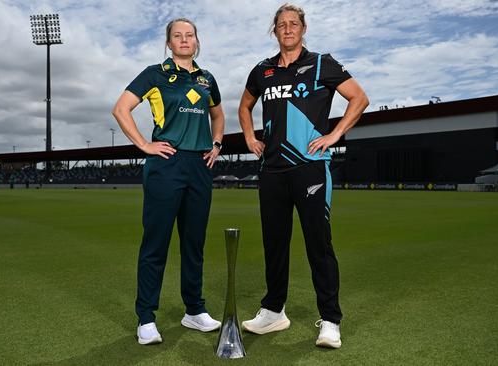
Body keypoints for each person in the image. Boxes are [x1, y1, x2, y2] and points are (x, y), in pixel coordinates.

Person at [238, 3, 369, 349]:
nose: (288, 29)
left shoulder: (321, 63)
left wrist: (335, 134)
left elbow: (359, 98)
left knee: (318, 245)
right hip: (272, 171)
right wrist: (251, 138)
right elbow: (244, 106)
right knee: (274, 244)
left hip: (310, 167)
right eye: (281, 25)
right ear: (275, 31)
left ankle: (330, 320)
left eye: (293, 24)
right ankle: (273, 311)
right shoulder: (262, 71)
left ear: (303, 28)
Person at [112, 17, 225, 345]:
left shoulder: (207, 79)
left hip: (200, 166)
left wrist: (217, 143)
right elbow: (121, 109)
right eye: (178, 35)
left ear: (196, 40)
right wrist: (144, 145)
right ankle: (146, 318)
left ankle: (194, 310)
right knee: (156, 243)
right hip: (166, 164)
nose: (184, 40)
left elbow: (218, 114)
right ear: (169, 43)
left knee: (194, 244)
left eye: (189, 35)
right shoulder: (155, 74)